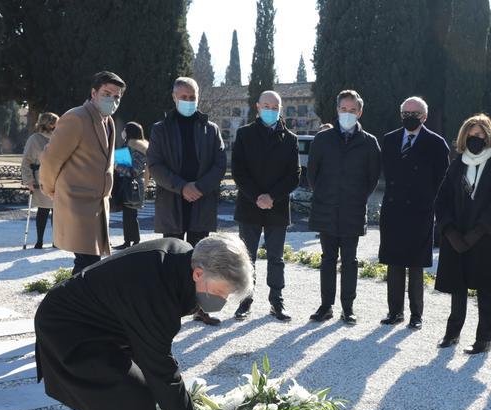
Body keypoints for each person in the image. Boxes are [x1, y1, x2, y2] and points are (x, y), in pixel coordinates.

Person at [35, 235, 252, 410]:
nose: (221, 301)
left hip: (106, 324)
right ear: (197, 274)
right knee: (129, 389)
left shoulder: (183, 260)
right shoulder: (155, 290)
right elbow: (162, 372)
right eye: (218, 292)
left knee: (146, 386)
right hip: (69, 327)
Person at [148, 76, 228, 325]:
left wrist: (199, 187)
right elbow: (155, 165)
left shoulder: (211, 129)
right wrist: (182, 187)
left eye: (192, 97)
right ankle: (168, 307)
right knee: (170, 258)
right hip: (173, 202)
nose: (188, 101)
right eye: (183, 97)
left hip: (201, 203)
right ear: (174, 97)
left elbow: (219, 163)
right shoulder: (160, 129)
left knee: (200, 258)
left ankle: (199, 307)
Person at [434, 114, 491, 354]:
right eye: (470, 134)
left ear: (488, 136)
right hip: (457, 237)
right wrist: (449, 231)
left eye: (479, 134)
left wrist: (477, 233)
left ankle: (484, 338)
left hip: (486, 238)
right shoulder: (457, 164)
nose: (475, 138)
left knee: (485, 291)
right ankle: (452, 332)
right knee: (457, 288)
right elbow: (442, 200)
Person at [307, 90, 382, 325]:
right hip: (326, 208)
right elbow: (312, 174)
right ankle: (326, 306)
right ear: (337, 110)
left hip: (352, 210)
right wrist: (325, 195)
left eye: (352, 110)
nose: (347, 114)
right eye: (343, 109)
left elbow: (372, 178)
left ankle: (347, 307)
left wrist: (355, 197)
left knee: (350, 260)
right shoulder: (322, 139)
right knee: (328, 258)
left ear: (359, 112)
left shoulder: (369, 143)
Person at [40, 71, 125, 275]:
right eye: (107, 93)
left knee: (90, 263)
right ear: (93, 93)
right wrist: (51, 189)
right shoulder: (76, 117)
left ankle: (75, 303)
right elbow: (52, 158)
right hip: (77, 201)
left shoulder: (109, 121)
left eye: (116, 96)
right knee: (87, 263)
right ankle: (71, 304)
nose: (112, 99)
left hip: (97, 204)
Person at [377, 96, 450, 329]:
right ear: (401, 115)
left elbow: (443, 180)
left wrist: (433, 205)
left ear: (424, 116)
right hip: (393, 209)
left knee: (415, 265)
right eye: (406, 113)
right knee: (394, 262)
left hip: (420, 210)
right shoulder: (389, 140)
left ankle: (416, 314)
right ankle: (394, 311)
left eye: (415, 113)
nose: (410, 117)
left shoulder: (437, 143)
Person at [231, 90, 299, 322]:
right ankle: (245, 299)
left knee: (276, 257)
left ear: (280, 109)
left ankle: (276, 300)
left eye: (275, 106)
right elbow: (238, 171)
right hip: (250, 206)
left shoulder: (290, 139)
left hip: (277, 207)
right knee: (246, 257)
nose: (271, 110)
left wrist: (272, 196)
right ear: (257, 107)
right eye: (266, 105)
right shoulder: (244, 134)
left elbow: (294, 175)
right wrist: (257, 196)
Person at [20, 112, 58, 249]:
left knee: (57, 211)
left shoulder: (59, 138)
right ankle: (39, 240)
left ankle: (56, 240)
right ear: (46, 124)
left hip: (58, 177)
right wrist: (29, 180)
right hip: (41, 177)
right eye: (53, 123)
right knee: (43, 210)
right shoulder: (34, 139)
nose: (56, 126)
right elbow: (26, 161)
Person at [111, 121, 149, 250]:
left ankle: (133, 241)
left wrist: (117, 166)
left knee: (131, 215)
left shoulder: (139, 148)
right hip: (125, 184)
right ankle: (129, 240)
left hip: (134, 186)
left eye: (126, 130)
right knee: (128, 215)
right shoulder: (127, 145)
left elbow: (134, 170)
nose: (123, 132)